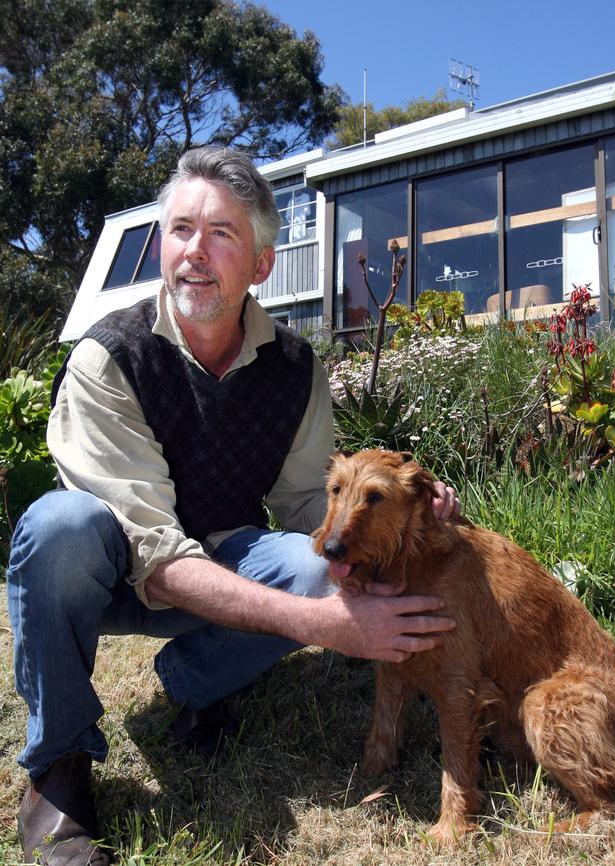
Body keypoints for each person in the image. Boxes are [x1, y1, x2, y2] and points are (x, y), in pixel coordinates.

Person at [6, 146, 459, 866]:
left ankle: (194, 682)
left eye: (221, 234)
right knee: (57, 527)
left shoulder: (294, 368)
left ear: (260, 265)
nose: (194, 251)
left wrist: (396, 513)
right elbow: (151, 552)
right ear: (162, 245)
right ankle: (58, 768)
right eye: (181, 229)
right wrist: (325, 627)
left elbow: (309, 501)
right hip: (111, 573)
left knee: (316, 568)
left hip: (220, 552)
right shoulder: (109, 357)